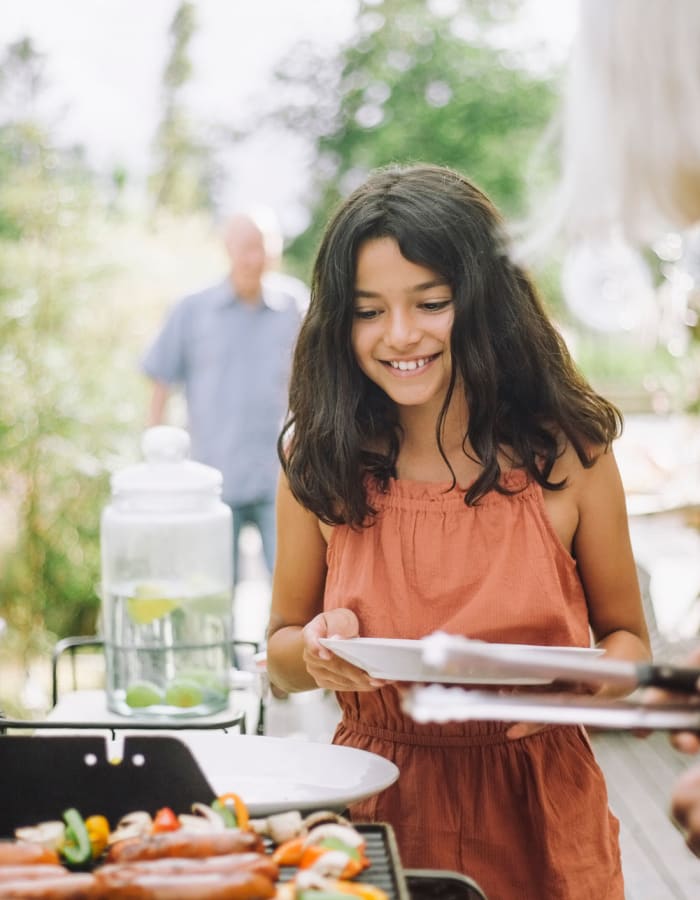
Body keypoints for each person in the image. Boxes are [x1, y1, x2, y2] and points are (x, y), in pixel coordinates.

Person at [266, 163, 651, 899]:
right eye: (368, 310)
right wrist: (313, 652)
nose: (399, 334)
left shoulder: (570, 458)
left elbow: (629, 642)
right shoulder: (319, 463)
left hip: (542, 811)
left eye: (431, 302)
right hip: (375, 810)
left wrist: (580, 690)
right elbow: (280, 654)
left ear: (484, 303)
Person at [142, 212, 302, 583]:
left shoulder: (296, 306)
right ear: (227, 248)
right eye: (246, 248)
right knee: (210, 594)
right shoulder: (192, 310)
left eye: (264, 249)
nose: (255, 258)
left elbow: (319, 382)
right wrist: (157, 466)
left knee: (292, 591)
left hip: (281, 478)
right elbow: (159, 383)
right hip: (210, 482)